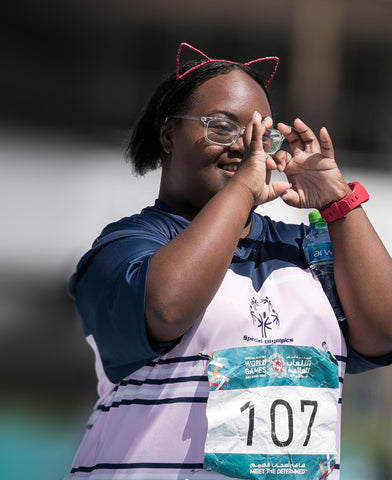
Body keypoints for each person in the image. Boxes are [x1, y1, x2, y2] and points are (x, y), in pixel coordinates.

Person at [66, 42, 392, 480]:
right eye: (222, 127)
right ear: (168, 136)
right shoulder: (128, 244)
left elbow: (384, 331)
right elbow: (165, 309)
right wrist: (243, 189)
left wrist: (338, 202)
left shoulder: (307, 249)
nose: (245, 148)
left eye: (263, 135)